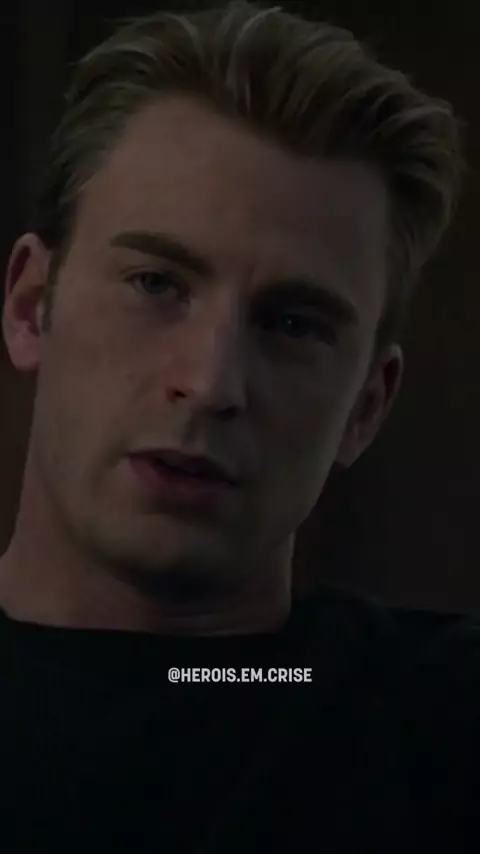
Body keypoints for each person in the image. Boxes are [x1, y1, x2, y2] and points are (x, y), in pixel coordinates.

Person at [0, 1, 465, 851]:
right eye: (155, 284)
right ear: (33, 307)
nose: (212, 383)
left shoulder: (440, 721)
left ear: (367, 406)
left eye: (292, 324)